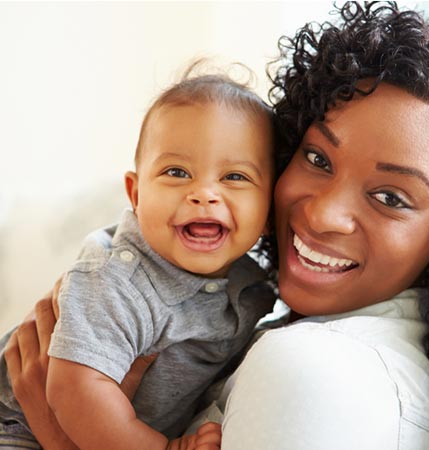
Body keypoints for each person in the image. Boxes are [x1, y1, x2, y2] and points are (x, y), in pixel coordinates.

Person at [4, 3, 429, 449]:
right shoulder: (252, 295)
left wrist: (62, 442)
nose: (319, 214)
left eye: (390, 196)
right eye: (316, 159)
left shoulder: (314, 373)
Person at [0, 68, 277, 450]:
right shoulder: (116, 279)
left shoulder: (253, 287)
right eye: (177, 172)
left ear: (268, 210)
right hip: (17, 429)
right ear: (135, 193)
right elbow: (74, 391)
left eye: (234, 177)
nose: (204, 193)